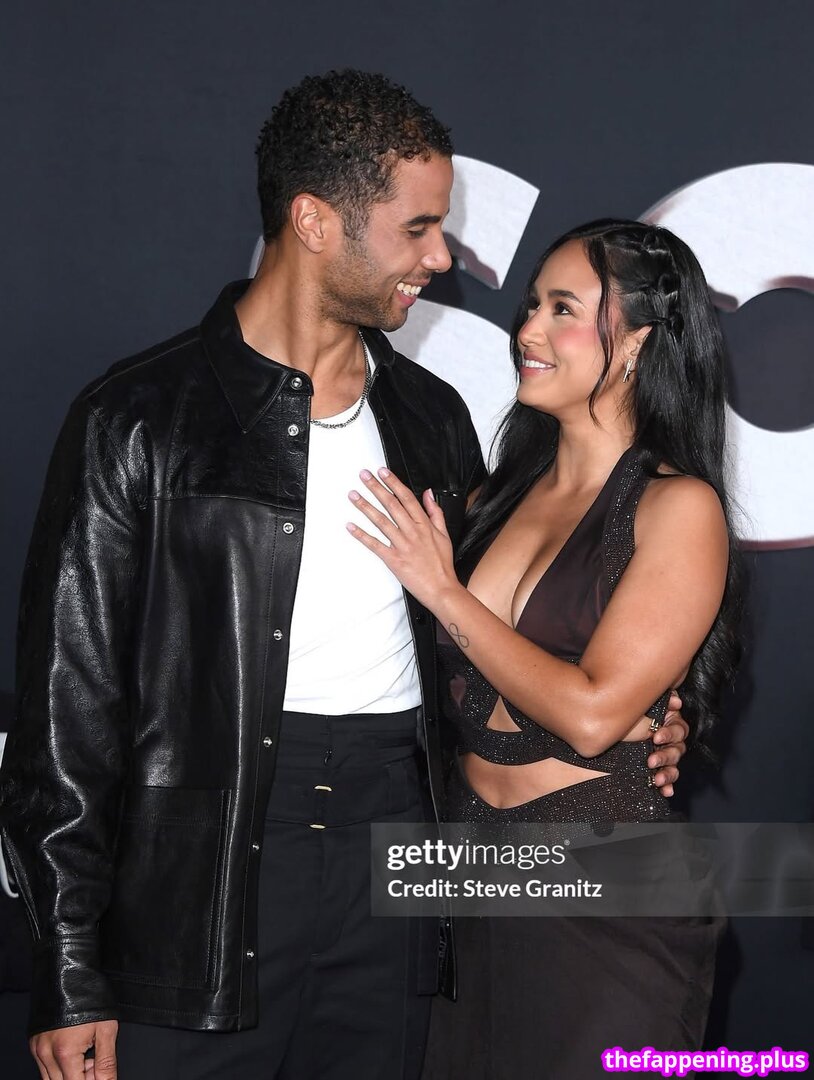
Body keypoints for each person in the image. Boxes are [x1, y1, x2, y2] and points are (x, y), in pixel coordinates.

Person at [0, 68, 688, 1080]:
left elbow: (499, 638)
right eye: (417, 229)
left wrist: (646, 718)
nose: (440, 257)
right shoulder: (138, 420)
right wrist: (69, 970)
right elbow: (67, 715)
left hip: (400, 856)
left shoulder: (431, 420)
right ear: (314, 221)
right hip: (207, 875)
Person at [347, 219, 740, 1078]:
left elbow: (595, 717)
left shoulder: (679, 508)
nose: (526, 329)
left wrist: (446, 592)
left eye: (563, 308)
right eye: (531, 305)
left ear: (635, 341)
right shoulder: (490, 496)